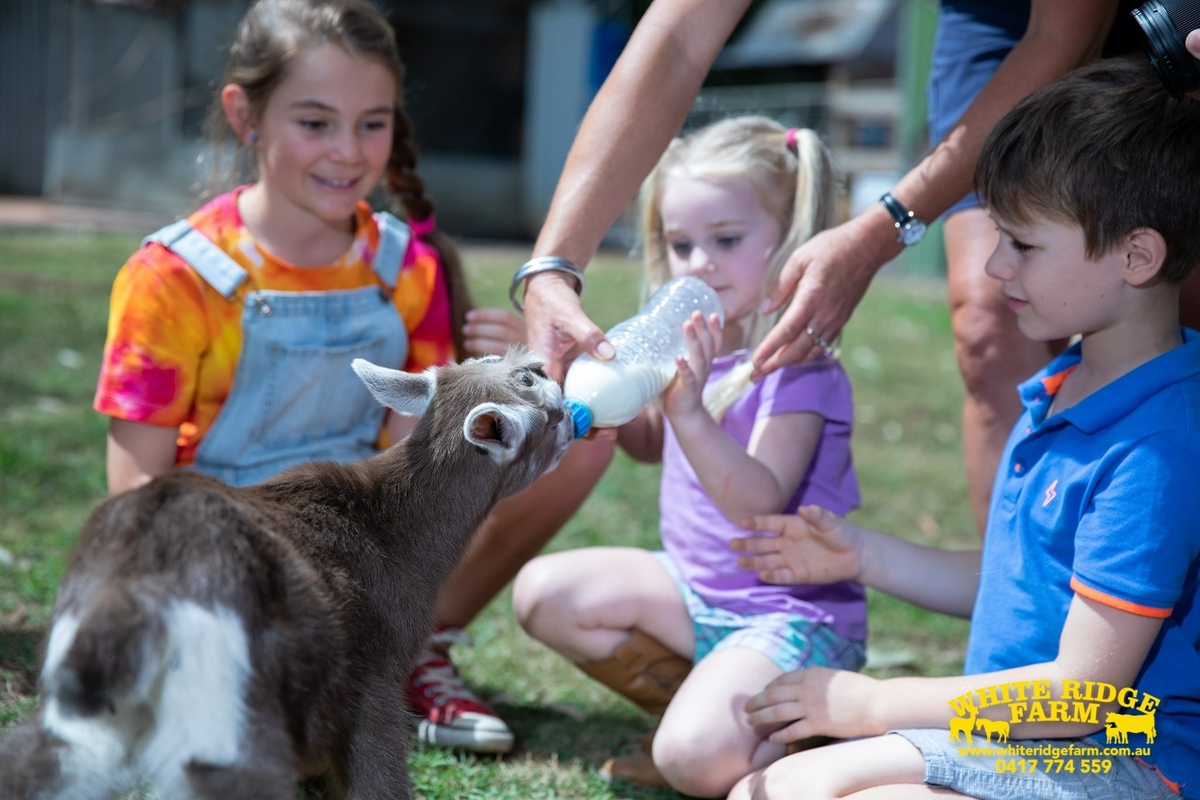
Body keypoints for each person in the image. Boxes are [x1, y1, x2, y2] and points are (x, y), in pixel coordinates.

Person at [92, 0, 613, 756]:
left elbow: (422, 472)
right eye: (315, 122)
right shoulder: (173, 278)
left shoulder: (408, 269)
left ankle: (407, 651)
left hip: (364, 545)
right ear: (246, 116)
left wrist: (490, 392)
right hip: (227, 564)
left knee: (578, 439)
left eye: (372, 122)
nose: (347, 150)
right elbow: (139, 503)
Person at [514, 0, 1200, 539]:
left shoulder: (798, 376)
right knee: (991, 320)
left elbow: (1064, 37)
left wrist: (880, 232)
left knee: (1173, 314)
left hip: (1138, 24)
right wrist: (552, 264)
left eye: (724, 238)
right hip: (991, 17)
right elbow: (677, 37)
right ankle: (1019, 618)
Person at [725, 56, 1200, 800]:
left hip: (1128, 766)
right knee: (779, 784)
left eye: (1024, 244)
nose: (994, 267)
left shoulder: (1160, 448)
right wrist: (864, 555)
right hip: (1022, 743)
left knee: (802, 790)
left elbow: (1086, 696)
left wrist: (873, 704)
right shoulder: (1064, 386)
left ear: (1137, 256)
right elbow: (1026, 581)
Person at [511, 117, 867, 797]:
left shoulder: (796, 368)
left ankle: (795, 732)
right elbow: (653, 447)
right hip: (697, 591)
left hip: (787, 616)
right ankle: (711, 714)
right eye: (681, 244)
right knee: (544, 595)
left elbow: (757, 497)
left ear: (791, 239)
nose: (699, 262)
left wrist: (690, 411)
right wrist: (614, 414)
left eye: (726, 240)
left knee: (693, 763)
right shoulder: (687, 348)